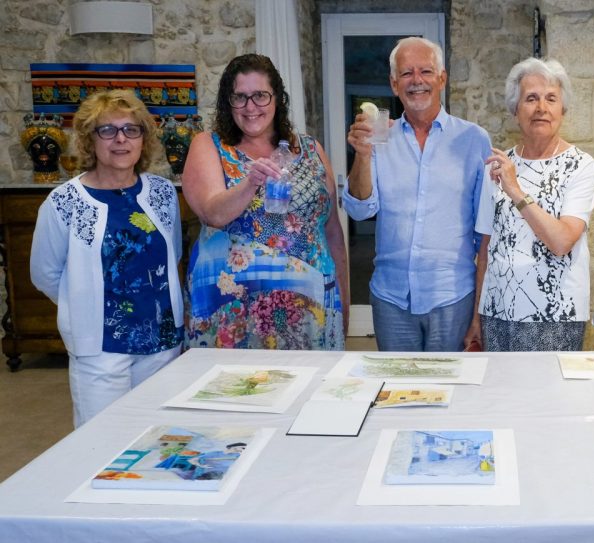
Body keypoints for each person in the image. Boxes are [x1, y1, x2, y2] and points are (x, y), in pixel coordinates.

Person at [30, 90, 184, 427]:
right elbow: (45, 274)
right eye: (107, 130)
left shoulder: (163, 193)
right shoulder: (63, 202)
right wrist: (83, 302)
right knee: (100, 441)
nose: (120, 139)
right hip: (99, 348)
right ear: (89, 139)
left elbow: (171, 255)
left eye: (131, 129)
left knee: (159, 438)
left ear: (143, 139)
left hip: (162, 344)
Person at [182, 54, 348, 350]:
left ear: (277, 99)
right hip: (233, 309)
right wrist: (250, 183)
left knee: (307, 379)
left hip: (311, 304)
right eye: (240, 97)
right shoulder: (209, 145)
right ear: (228, 102)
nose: (251, 107)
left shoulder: (311, 148)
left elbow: (332, 231)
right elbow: (212, 213)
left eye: (260, 95)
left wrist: (343, 304)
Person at [345, 37, 491, 353]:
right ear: (394, 84)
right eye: (406, 73)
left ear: (442, 78)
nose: (416, 81)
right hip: (391, 298)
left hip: (453, 297)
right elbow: (359, 210)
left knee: (450, 383)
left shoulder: (474, 140)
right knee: (396, 382)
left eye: (425, 71)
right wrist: (362, 155)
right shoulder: (379, 136)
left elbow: (486, 233)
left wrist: (479, 312)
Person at [472, 57, 594, 351]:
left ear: (562, 109)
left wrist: (515, 190)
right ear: (515, 109)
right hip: (497, 312)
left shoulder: (580, 165)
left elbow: (562, 242)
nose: (541, 107)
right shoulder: (498, 165)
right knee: (500, 383)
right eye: (531, 98)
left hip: (555, 316)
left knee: (550, 383)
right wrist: (477, 316)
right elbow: (486, 247)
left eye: (551, 98)